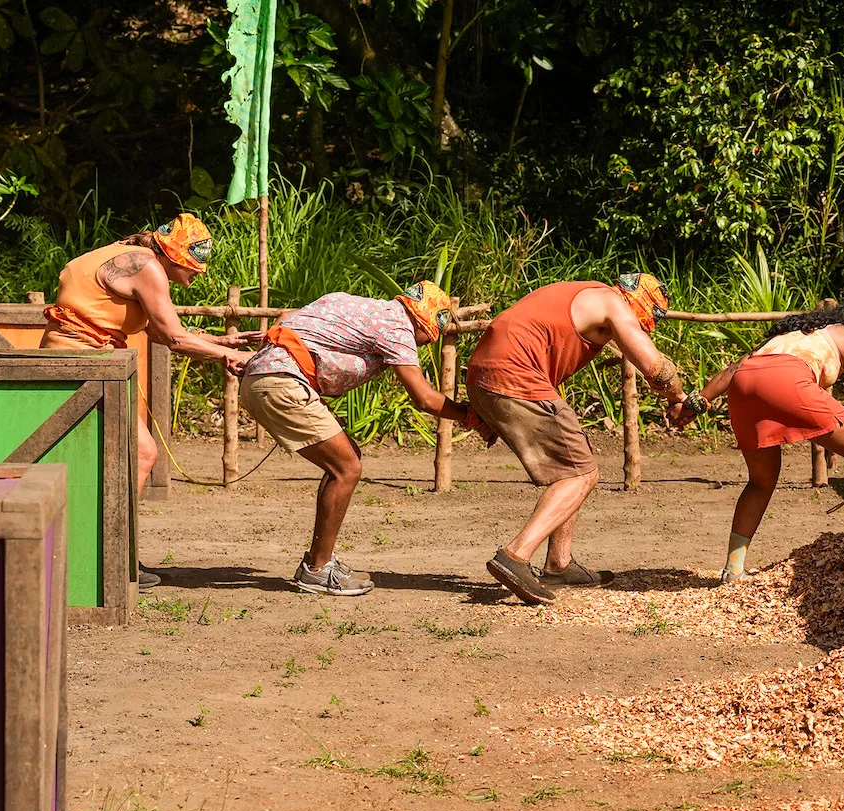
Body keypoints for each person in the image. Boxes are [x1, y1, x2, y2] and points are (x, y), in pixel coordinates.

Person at [41, 212, 260, 590]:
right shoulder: (148, 268)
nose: (198, 274)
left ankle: (110, 550)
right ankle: (114, 554)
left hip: (82, 358)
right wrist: (228, 358)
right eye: (194, 265)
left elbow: (160, 331)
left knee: (124, 453)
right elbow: (174, 338)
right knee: (142, 453)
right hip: (79, 360)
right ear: (175, 256)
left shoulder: (128, 254)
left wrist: (221, 343)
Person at [239, 281, 490, 597]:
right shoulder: (399, 328)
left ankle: (320, 561)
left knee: (345, 459)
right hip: (281, 383)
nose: (426, 345)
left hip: (264, 376)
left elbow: (288, 316)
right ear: (428, 320)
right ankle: (317, 570)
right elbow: (424, 398)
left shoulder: (356, 304)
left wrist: (270, 357)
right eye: (430, 337)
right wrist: (471, 415)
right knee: (347, 468)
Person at [466, 273, 687, 605]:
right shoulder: (613, 304)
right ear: (643, 303)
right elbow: (657, 369)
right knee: (582, 474)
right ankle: (515, 555)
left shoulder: (582, 293)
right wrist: (678, 397)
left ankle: (559, 563)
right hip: (516, 374)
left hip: (484, 371)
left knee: (572, 464)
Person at [668, 304, 844, 584]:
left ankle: (733, 569)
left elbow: (734, 370)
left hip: (744, 386)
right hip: (788, 381)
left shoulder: (787, 336)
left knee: (760, 481)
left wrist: (696, 404)